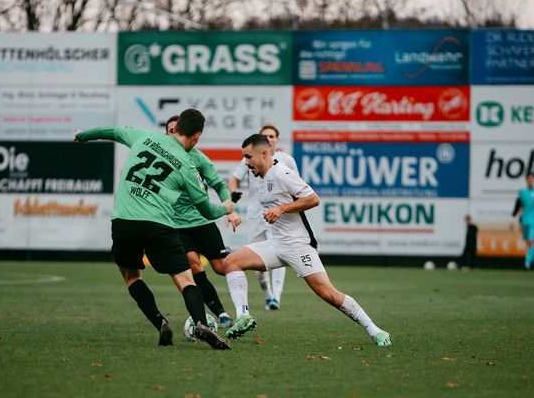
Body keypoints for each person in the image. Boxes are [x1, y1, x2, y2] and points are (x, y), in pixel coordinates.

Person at [74, 109, 232, 350]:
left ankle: (160, 323)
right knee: (185, 278)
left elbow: (112, 132)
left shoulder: (144, 137)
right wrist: (226, 207)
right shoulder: (187, 167)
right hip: (160, 224)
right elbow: (208, 212)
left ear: (175, 126)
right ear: (197, 136)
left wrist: (84, 135)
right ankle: (202, 323)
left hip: (124, 221)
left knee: (132, 277)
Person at [221, 134, 391, 346]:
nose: (245, 162)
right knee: (231, 262)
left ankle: (374, 330)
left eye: (248, 157)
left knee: (328, 293)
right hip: (275, 244)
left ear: (264, 154)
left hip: (298, 245)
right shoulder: (257, 176)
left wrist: (281, 209)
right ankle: (243, 316)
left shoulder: (282, 173)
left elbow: (313, 199)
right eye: (244, 157)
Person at [164, 115, 240, 328]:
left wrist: (228, 209)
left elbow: (218, 184)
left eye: (176, 129)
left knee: (220, 266)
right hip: (179, 227)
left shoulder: (199, 159)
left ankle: (243, 299)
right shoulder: (161, 157)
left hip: (203, 222)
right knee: (195, 266)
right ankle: (222, 314)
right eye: (170, 130)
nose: (174, 133)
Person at [227, 124, 298, 311]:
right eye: (265, 135)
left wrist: (289, 207)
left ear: (276, 139)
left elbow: (296, 186)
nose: (269, 138)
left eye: (272, 135)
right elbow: (234, 179)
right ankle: (267, 293)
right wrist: (233, 193)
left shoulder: (286, 161)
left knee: (281, 250)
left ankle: (276, 296)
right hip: (255, 215)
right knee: (256, 258)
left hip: (278, 214)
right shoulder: (249, 159)